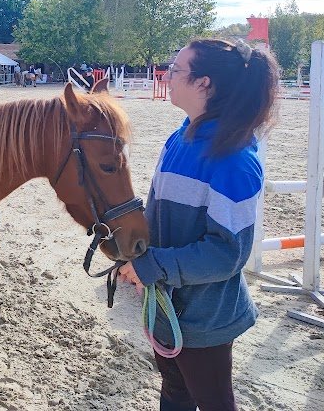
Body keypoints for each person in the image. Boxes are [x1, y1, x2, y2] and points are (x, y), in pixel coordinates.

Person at [118, 38, 280, 411]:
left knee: (213, 402)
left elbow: (228, 253)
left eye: (176, 70)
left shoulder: (234, 159)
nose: (167, 76)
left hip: (205, 319)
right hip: (168, 308)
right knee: (174, 391)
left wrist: (151, 266)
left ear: (204, 83)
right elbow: (162, 213)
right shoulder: (180, 137)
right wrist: (130, 246)